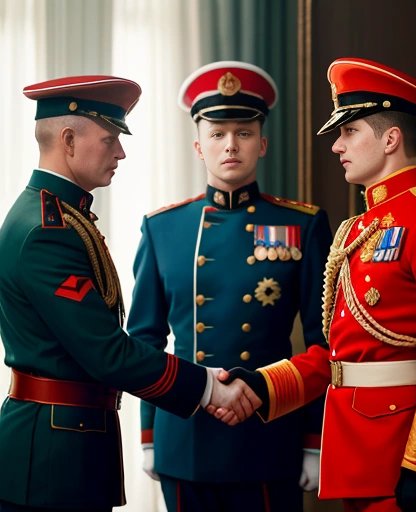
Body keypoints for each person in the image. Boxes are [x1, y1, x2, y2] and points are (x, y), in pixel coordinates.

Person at [216, 57, 416, 512]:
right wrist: (264, 385)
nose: (338, 146)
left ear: (391, 139)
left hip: (404, 454)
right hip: (358, 451)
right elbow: (340, 356)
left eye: (349, 132)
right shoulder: (356, 228)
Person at [0, 75, 260, 512]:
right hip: (49, 462)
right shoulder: (46, 230)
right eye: (109, 138)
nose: (120, 151)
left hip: (66, 446)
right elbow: (106, 352)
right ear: (68, 140)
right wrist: (208, 387)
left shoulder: (61, 215)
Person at [126, 61, 332, 512]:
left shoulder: (303, 224)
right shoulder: (164, 228)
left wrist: (314, 441)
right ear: (199, 146)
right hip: (185, 433)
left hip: (268, 433)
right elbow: (144, 341)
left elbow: (326, 344)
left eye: (243, 131)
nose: (230, 145)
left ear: (263, 143)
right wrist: (148, 436)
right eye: (217, 133)